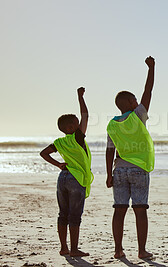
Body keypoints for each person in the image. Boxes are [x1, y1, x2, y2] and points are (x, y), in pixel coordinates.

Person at [106, 56, 155, 259]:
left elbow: (110, 150)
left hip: (119, 170)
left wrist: (109, 174)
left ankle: (118, 250)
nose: (137, 101)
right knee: (140, 210)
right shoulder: (138, 115)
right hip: (138, 169)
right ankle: (142, 251)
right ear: (127, 103)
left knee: (119, 210)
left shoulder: (112, 124)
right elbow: (149, 91)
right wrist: (151, 68)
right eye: (134, 99)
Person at [40, 87, 93, 257]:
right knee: (75, 216)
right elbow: (86, 115)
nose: (81, 124)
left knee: (62, 214)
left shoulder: (59, 142)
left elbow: (43, 153)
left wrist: (58, 164)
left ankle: (64, 248)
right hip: (76, 179)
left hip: (63, 177)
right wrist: (80, 97)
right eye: (77, 123)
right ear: (72, 126)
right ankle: (74, 249)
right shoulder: (77, 137)